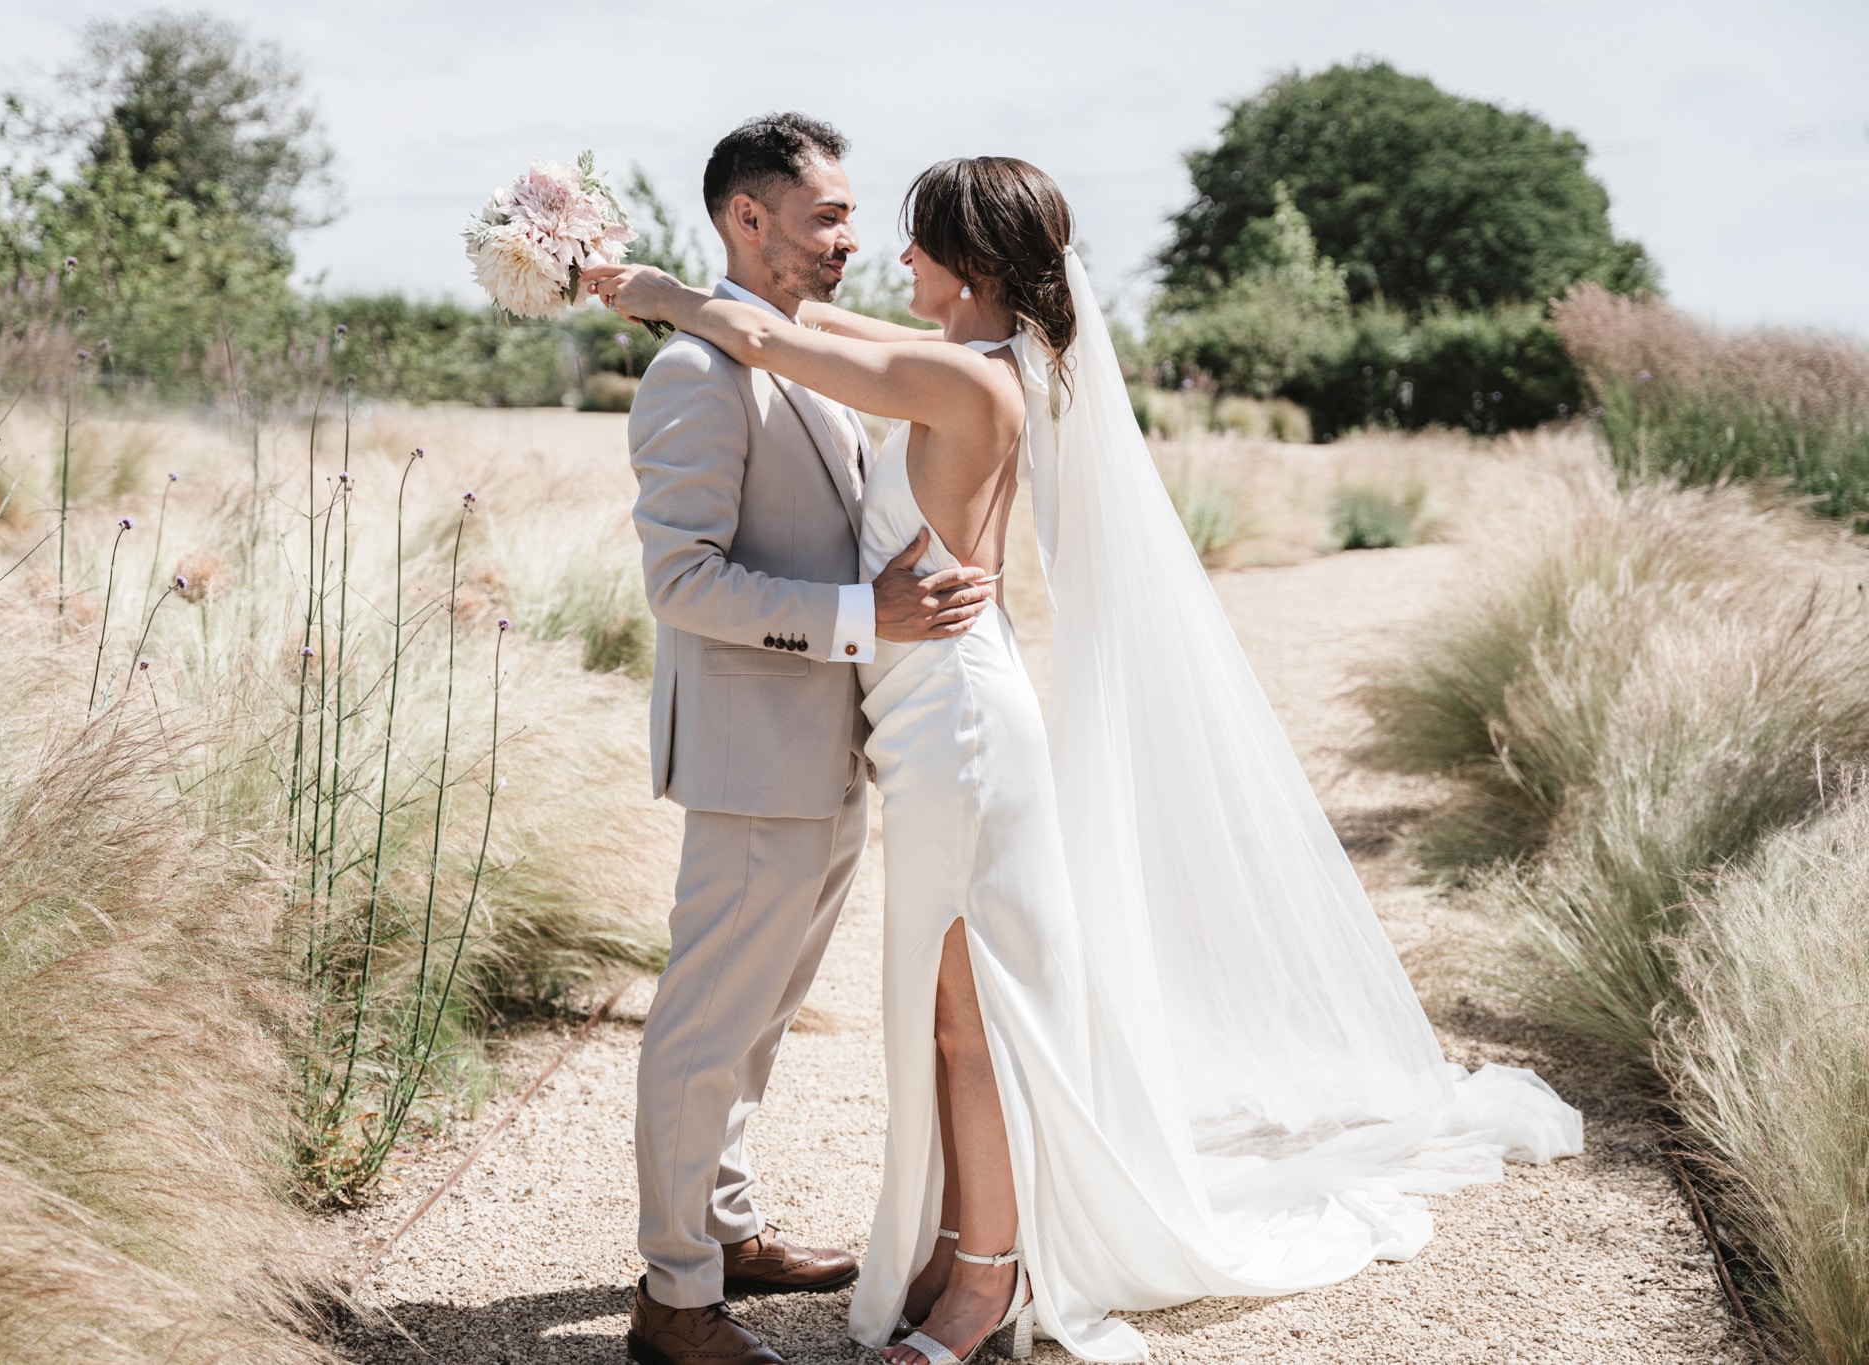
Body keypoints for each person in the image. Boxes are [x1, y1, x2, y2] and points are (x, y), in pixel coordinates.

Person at [590, 156, 1585, 1365]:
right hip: (928, 718)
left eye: (915, 242)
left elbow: (772, 338)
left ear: (970, 265)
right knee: (954, 1011)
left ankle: (986, 1280)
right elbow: (802, 330)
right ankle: (952, 1248)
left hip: (954, 723)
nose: (892, 258)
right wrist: (698, 300)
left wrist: (655, 291)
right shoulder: (979, 359)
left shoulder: (959, 380)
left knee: (969, 1019)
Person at [620, 114, 996, 1365]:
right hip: (748, 758)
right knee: (703, 1028)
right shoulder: (696, 372)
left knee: (760, 1015)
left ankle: (723, 1230)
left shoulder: (801, 355)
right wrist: (863, 616)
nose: (849, 240)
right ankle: (674, 1300)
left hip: (828, 751)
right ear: (747, 217)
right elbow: (680, 581)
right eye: (826, 215)